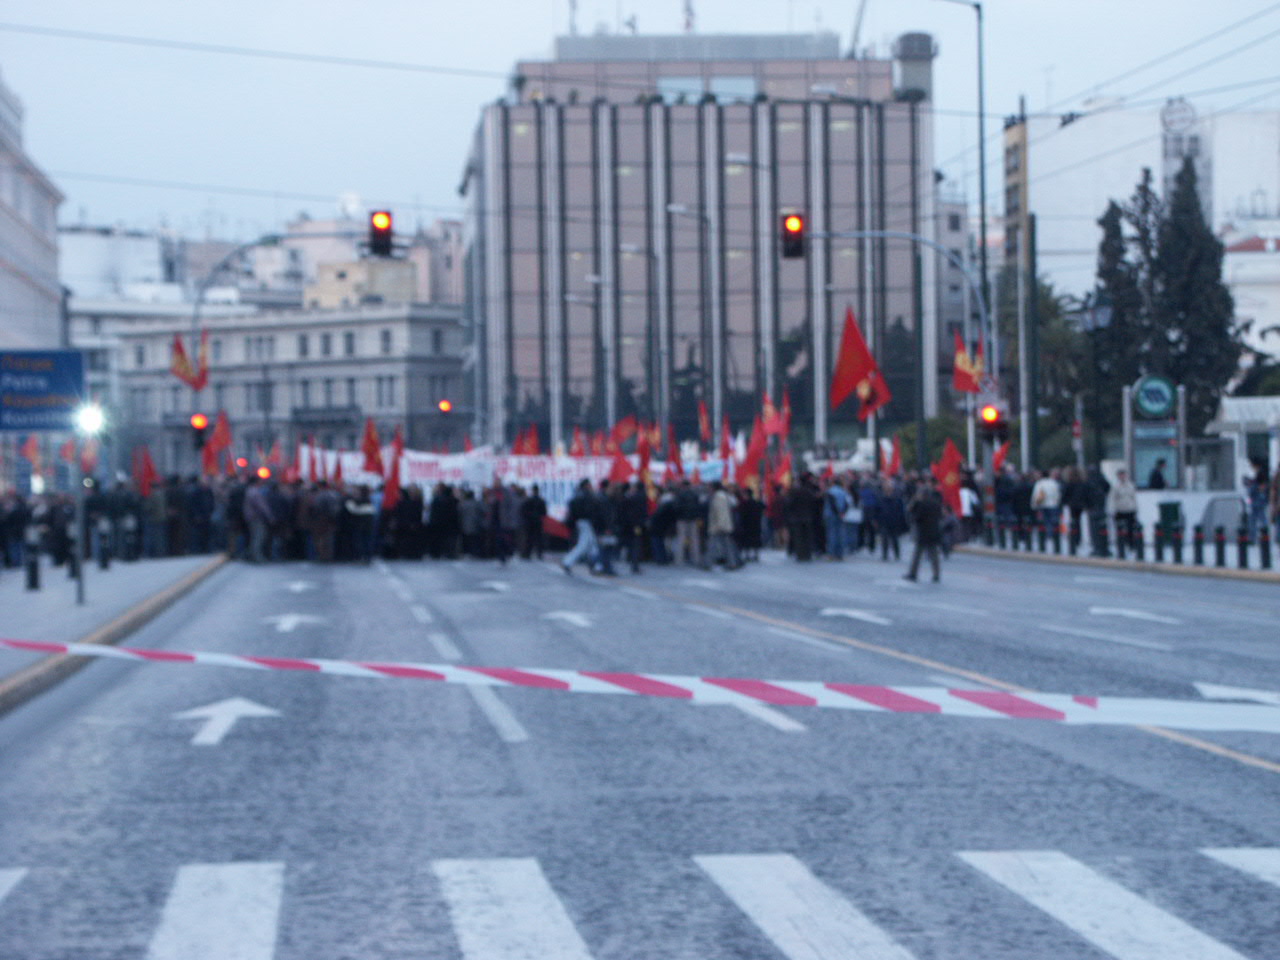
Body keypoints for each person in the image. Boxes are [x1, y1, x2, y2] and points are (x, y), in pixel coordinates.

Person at [905, 476, 944, 582]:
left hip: (923, 532)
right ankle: (936, 574)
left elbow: (914, 514)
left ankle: (913, 573)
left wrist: (914, 501)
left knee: (917, 555)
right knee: (934, 555)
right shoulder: (936, 503)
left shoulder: (921, 504)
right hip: (934, 531)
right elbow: (941, 516)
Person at [561, 479, 599, 574]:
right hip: (586, 522)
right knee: (584, 545)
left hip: (581, 521)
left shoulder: (578, 495)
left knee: (592, 545)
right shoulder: (587, 496)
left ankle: (594, 564)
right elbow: (591, 510)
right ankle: (568, 561)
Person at [705, 481, 740, 569]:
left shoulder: (718, 497)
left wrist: (719, 525)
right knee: (726, 545)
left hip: (719, 525)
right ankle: (732, 563)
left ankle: (708, 563)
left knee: (713, 544)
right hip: (723, 524)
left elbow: (720, 512)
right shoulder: (723, 496)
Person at [1108, 468, 1139, 548]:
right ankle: (1121, 545)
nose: (1122, 476)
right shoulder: (1115, 486)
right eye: (1120, 475)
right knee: (1120, 529)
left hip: (1130, 510)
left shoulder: (1131, 485)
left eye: (1123, 474)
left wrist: (1136, 509)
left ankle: (1131, 545)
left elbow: (1134, 497)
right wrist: (1112, 510)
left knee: (1131, 529)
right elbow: (1112, 499)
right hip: (1120, 510)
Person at [520, 484, 547, 559]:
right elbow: (544, 512)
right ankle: (539, 554)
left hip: (530, 522)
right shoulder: (541, 501)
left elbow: (523, 511)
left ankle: (527, 553)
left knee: (529, 538)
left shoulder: (529, 500)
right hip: (538, 522)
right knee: (538, 539)